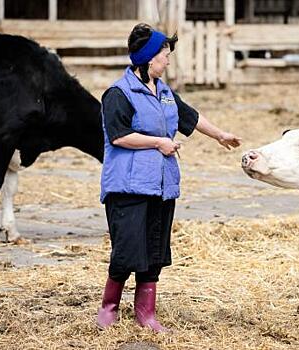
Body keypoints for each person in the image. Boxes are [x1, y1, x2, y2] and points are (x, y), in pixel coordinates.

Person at [96, 23, 241, 332]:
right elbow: (119, 136)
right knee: (126, 249)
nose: (168, 60)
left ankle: (146, 313)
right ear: (150, 59)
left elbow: (192, 117)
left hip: (161, 186)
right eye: (165, 54)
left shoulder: (164, 93)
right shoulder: (118, 93)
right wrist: (159, 142)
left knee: (154, 250)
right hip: (129, 186)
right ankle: (109, 306)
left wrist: (220, 135)